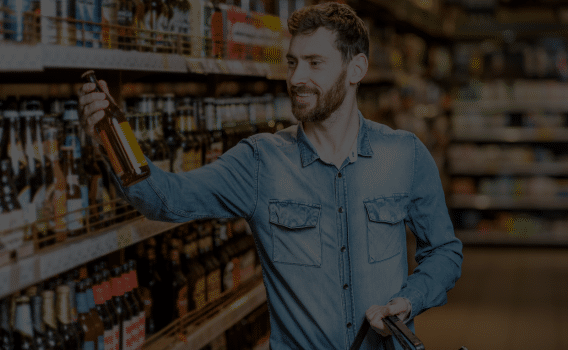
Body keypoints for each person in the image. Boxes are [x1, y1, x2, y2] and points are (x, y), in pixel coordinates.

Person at [78, 2, 463, 349]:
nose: (296, 78)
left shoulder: (404, 154)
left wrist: (409, 300)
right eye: (292, 62)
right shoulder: (260, 162)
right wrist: (113, 138)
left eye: (315, 63)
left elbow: (444, 251)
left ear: (356, 69)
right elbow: (165, 199)